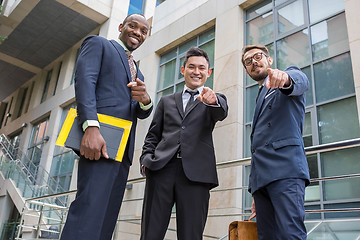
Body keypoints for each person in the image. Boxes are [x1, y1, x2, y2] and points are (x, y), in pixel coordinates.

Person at [60, 14, 153, 240]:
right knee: (89, 210)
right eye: (133, 26)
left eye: (143, 31)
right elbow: (85, 82)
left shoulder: (137, 72)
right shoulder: (99, 44)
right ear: (121, 27)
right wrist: (91, 127)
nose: (138, 33)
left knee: (107, 217)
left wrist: (145, 100)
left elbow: (139, 112)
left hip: (122, 152)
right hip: (99, 141)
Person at [139, 47, 228, 240]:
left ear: (208, 72)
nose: (196, 72)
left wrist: (212, 100)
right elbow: (153, 135)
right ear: (183, 70)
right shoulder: (166, 101)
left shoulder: (213, 100)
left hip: (196, 176)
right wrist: (146, 159)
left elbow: (221, 111)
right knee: (150, 233)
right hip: (161, 169)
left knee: (191, 235)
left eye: (202, 68)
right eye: (192, 67)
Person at [242, 44, 310, 240]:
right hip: (262, 183)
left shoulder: (286, 77)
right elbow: (257, 146)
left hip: (285, 172)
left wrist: (286, 79)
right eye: (248, 61)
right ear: (247, 70)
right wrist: (255, 189)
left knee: (291, 234)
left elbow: (299, 81)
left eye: (258, 56)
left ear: (269, 60)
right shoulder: (259, 96)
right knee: (267, 237)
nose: (254, 62)